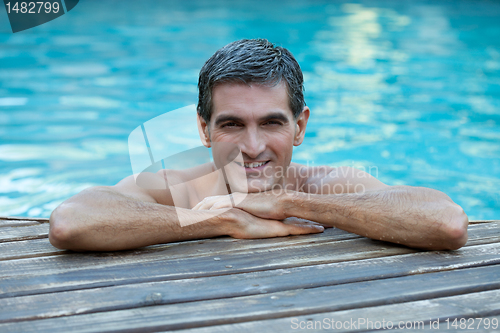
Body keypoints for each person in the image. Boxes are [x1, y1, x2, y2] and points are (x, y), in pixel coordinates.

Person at [49, 39, 469, 252]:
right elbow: (72, 222)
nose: (252, 147)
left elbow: (445, 222)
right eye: (231, 124)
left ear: (300, 127)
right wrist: (222, 221)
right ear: (204, 129)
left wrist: (291, 202)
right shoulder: (176, 186)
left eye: (271, 123)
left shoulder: (326, 185)